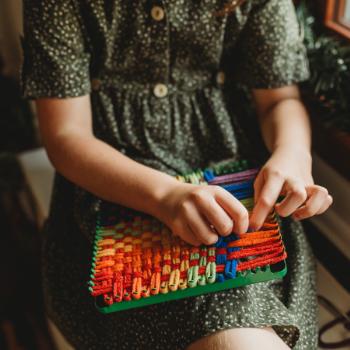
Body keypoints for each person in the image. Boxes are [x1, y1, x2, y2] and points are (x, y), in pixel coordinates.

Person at [20, 0, 332, 349]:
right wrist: (165, 196)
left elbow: (279, 99)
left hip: (238, 179)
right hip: (116, 183)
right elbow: (66, 136)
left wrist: (292, 154)